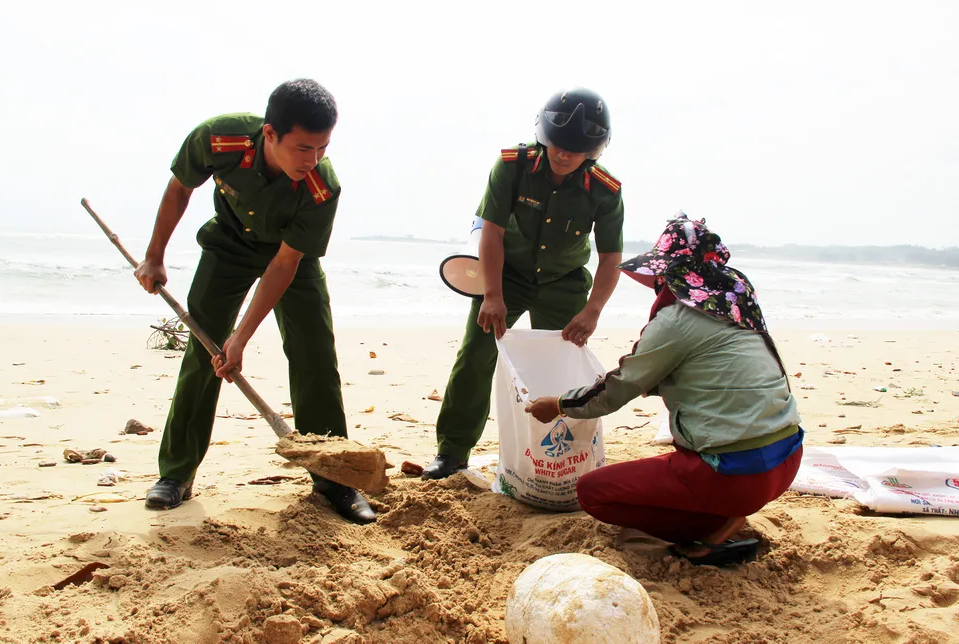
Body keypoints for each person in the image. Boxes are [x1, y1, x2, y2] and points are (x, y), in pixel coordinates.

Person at [133, 79, 376, 524]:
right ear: (269, 134)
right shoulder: (217, 139)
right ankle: (177, 474)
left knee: (315, 354)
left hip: (291, 257)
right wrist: (154, 256)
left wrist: (241, 338)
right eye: (303, 148)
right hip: (228, 245)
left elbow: (284, 265)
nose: (313, 159)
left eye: (323, 147)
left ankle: (333, 477)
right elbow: (179, 189)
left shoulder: (322, 187)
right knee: (203, 349)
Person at [525, 213, 804, 566]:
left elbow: (621, 386)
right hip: (787, 457)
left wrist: (559, 405)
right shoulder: (737, 305)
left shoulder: (677, 321)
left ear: (671, 276)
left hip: (736, 474)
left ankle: (713, 530)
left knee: (593, 492)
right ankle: (727, 511)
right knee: (676, 455)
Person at [424, 88, 626, 480]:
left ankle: (558, 461)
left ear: (593, 152)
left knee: (561, 367)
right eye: (557, 146)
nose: (563, 155)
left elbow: (610, 257)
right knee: (475, 357)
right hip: (506, 276)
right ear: (543, 136)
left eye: (574, 151)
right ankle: (452, 452)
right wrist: (492, 295)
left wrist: (592, 311)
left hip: (564, 282)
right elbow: (492, 232)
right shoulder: (511, 167)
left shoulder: (605, 189)